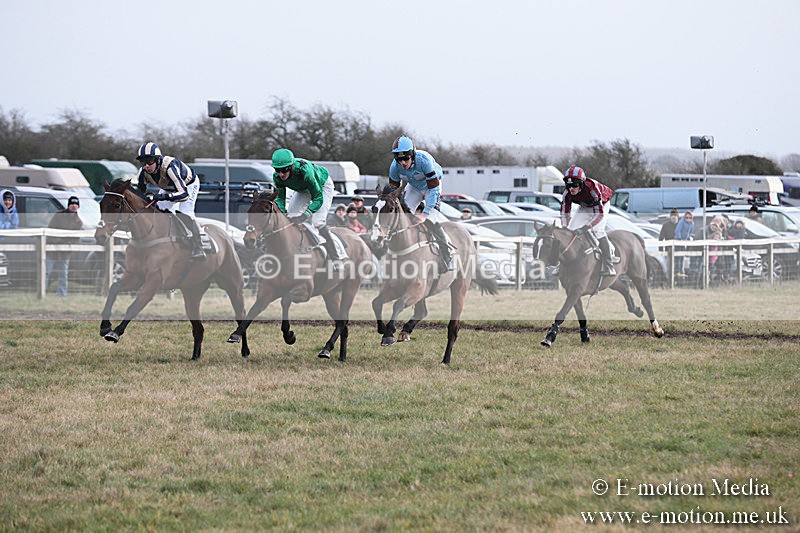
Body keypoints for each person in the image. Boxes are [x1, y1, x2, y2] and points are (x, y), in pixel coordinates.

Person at [388, 135, 454, 271]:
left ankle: (447, 255)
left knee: (431, 220)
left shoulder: (424, 160)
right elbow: (393, 194)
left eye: (406, 158)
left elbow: (434, 189)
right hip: (414, 187)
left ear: (412, 154)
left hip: (432, 187)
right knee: (403, 215)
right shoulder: (394, 167)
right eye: (398, 159)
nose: (403, 163)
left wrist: (425, 213)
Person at [270, 148, 345, 265]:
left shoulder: (305, 172)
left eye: (284, 170)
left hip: (322, 185)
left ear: (290, 167)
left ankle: (336, 256)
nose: (281, 174)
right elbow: (280, 199)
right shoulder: (277, 177)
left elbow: (318, 198)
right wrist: (284, 214)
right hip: (303, 190)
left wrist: (306, 214)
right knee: (290, 217)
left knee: (318, 221)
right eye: (277, 170)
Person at [135, 142, 206, 260]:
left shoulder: (170, 167)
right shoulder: (143, 173)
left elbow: (184, 195)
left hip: (188, 185)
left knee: (185, 212)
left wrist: (162, 197)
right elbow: (140, 193)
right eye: (143, 162)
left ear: (157, 160)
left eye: (150, 161)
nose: (146, 166)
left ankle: (199, 246)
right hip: (168, 187)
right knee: (157, 211)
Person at [559, 165, 617, 276]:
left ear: (581, 184)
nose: (571, 188)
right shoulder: (567, 192)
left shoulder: (592, 189)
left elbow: (599, 214)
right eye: (569, 185)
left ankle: (609, 265)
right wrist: (564, 227)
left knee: (597, 230)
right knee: (570, 229)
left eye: (575, 185)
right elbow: (564, 212)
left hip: (602, 205)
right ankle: (561, 264)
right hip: (585, 205)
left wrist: (586, 227)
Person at [46, 196, 83, 297]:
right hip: (52, 249)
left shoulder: (78, 222)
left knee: (63, 274)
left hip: (65, 253)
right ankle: (42, 293)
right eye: (72, 204)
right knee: (46, 272)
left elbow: (75, 239)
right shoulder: (58, 215)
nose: (74, 206)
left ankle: (62, 295)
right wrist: (60, 241)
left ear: (78, 206)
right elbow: (50, 231)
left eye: (76, 204)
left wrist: (68, 243)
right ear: (68, 205)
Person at [674, 211, 695, 277]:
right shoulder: (682, 222)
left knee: (682, 256)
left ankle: (681, 270)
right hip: (679, 241)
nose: (688, 219)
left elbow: (689, 232)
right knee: (678, 257)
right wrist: (679, 238)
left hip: (685, 241)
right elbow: (678, 230)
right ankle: (677, 270)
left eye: (690, 217)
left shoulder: (692, 223)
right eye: (687, 217)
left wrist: (688, 238)